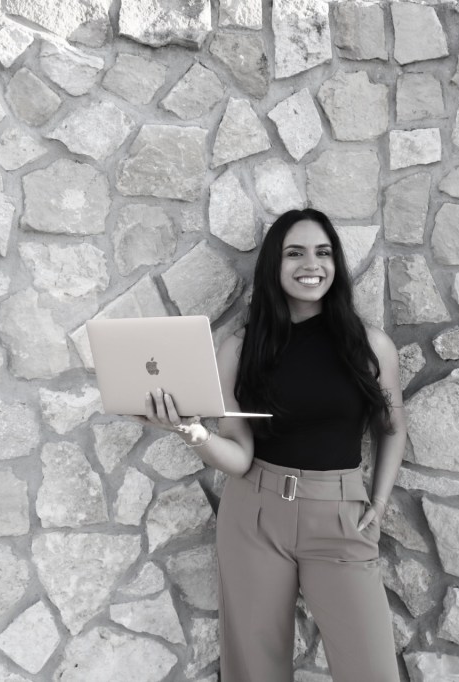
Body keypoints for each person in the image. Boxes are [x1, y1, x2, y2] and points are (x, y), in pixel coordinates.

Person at [139, 208, 405, 682]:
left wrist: (380, 504)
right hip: (254, 516)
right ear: (274, 266)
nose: (312, 264)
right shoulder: (240, 350)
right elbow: (239, 456)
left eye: (323, 253)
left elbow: (392, 427)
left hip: (341, 516)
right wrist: (188, 430)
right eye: (295, 253)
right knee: (254, 672)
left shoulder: (371, 346)